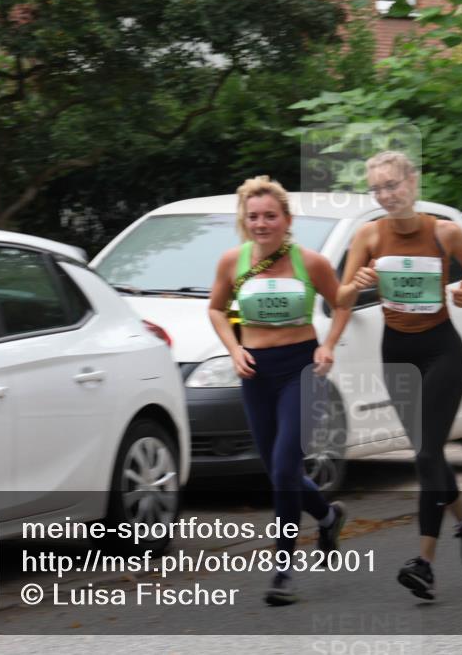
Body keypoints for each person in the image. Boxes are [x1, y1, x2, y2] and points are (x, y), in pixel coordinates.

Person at [337, 151, 462, 600]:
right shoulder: (367, 236)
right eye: (378, 189)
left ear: (413, 182)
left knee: (425, 454)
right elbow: (342, 296)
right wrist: (358, 282)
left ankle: (424, 563)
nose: (386, 195)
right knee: (431, 456)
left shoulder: (445, 232)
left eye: (393, 185)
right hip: (396, 354)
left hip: (443, 350)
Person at [208, 176, 351, 606]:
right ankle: (327, 516)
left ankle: (283, 570)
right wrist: (233, 349)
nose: (262, 223)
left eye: (271, 216)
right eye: (253, 217)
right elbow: (216, 309)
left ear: (287, 220)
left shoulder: (311, 262)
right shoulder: (232, 261)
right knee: (277, 471)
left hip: (299, 370)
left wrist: (328, 345)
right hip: (255, 373)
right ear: (244, 220)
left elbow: (342, 302)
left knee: (286, 468)